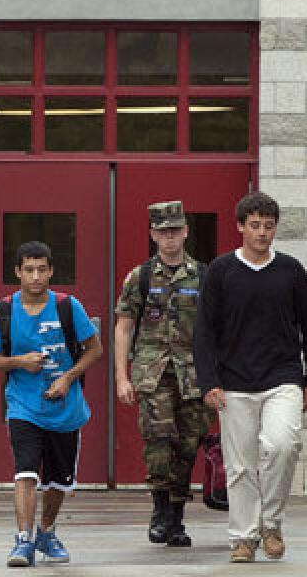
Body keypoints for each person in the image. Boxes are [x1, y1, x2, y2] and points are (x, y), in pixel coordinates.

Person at [192, 191, 307, 564]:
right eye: (255, 226)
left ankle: (271, 523)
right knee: (239, 465)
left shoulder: (291, 271)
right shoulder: (220, 271)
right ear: (240, 227)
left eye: (269, 226)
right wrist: (209, 382)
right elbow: (204, 331)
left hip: (283, 377)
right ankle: (243, 537)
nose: (263, 233)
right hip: (233, 382)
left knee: (283, 446)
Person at [0, 240, 103, 567]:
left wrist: (67, 378)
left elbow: (95, 350)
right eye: (28, 270)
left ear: (51, 271)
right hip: (23, 406)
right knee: (26, 472)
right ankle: (22, 540)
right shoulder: (1, 311)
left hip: (65, 409)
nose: (35, 276)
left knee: (59, 481)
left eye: (41, 269)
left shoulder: (67, 307)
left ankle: (46, 532)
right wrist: (19, 362)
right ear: (17, 272)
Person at [113, 200, 213, 548]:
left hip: (194, 375)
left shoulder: (203, 275)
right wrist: (121, 378)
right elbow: (123, 327)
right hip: (153, 375)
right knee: (158, 444)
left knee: (187, 448)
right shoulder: (139, 277)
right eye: (163, 232)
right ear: (152, 234)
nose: (170, 238)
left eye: (175, 231)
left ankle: (176, 520)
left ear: (185, 231)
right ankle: (159, 513)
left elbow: (217, 329)